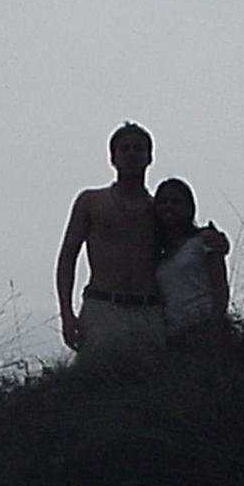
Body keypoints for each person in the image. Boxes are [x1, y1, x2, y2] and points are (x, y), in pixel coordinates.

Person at [56, 122, 227, 367]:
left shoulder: (158, 210)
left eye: (138, 148)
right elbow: (67, 258)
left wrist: (215, 243)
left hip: (148, 311)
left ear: (149, 157)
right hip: (102, 306)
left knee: (151, 391)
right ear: (112, 158)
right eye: (124, 149)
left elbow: (185, 240)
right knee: (95, 388)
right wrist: (67, 314)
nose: (132, 154)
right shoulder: (91, 202)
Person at [153, 178, 230, 351]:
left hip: (204, 327)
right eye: (163, 202)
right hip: (173, 334)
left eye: (176, 202)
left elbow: (220, 286)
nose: (169, 207)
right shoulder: (159, 257)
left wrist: (216, 325)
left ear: (189, 208)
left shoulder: (205, 240)